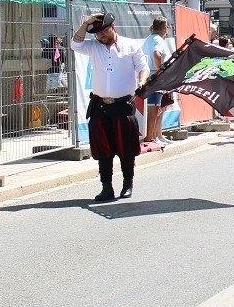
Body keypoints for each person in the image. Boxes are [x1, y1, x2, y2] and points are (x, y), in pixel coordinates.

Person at [71, 12, 149, 202]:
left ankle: (127, 183)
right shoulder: (94, 47)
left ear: (111, 27)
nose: (100, 36)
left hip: (123, 104)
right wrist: (86, 23)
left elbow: (143, 67)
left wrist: (142, 81)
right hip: (100, 105)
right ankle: (106, 187)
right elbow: (75, 44)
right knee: (103, 149)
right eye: (97, 34)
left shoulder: (131, 45)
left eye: (103, 32)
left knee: (126, 148)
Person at [141, 16, 173, 144]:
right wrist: (160, 70)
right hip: (155, 76)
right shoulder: (158, 40)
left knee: (154, 107)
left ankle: (154, 136)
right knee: (155, 108)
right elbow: (157, 54)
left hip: (148, 75)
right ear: (164, 28)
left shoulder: (148, 39)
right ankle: (151, 137)